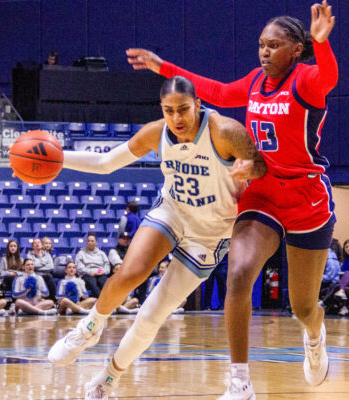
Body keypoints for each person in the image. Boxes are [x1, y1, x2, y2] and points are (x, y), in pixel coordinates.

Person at [127, 2, 337, 393]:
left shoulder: (306, 80)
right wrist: (163, 67)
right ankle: (240, 383)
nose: (264, 51)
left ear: (295, 49)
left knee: (303, 307)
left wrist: (322, 43)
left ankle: (314, 337)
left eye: (274, 45)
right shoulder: (257, 82)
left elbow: (329, 78)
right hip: (262, 191)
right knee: (238, 275)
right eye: (261, 44)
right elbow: (219, 91)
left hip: (306, 197)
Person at [45, 76, 265, 399]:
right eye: (169, 110)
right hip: (172, 212)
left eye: (184, 109)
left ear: (198, 105)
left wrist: (250, 167)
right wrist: (59, 159)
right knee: (130, 272)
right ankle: (88, 329)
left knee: (151, 315)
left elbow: (260, 166)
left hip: (210, 234)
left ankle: (107, 379)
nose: (177, 118)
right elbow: (107, 163)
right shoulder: (156, 134)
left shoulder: (224, 131)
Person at [75, 233, 111, 298]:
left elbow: (107, 265)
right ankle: (102, 300)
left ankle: (107, 300)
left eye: (92, 241)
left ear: (96, 242)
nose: (90, 242)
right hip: (87, 274)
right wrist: (89, 272)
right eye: (88, 241)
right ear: (86, 242)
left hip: (100, 273)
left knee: (104, 282)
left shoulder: (101, 253)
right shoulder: (81, 253)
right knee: (92, 283)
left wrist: (104, 271)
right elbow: (79, 267)